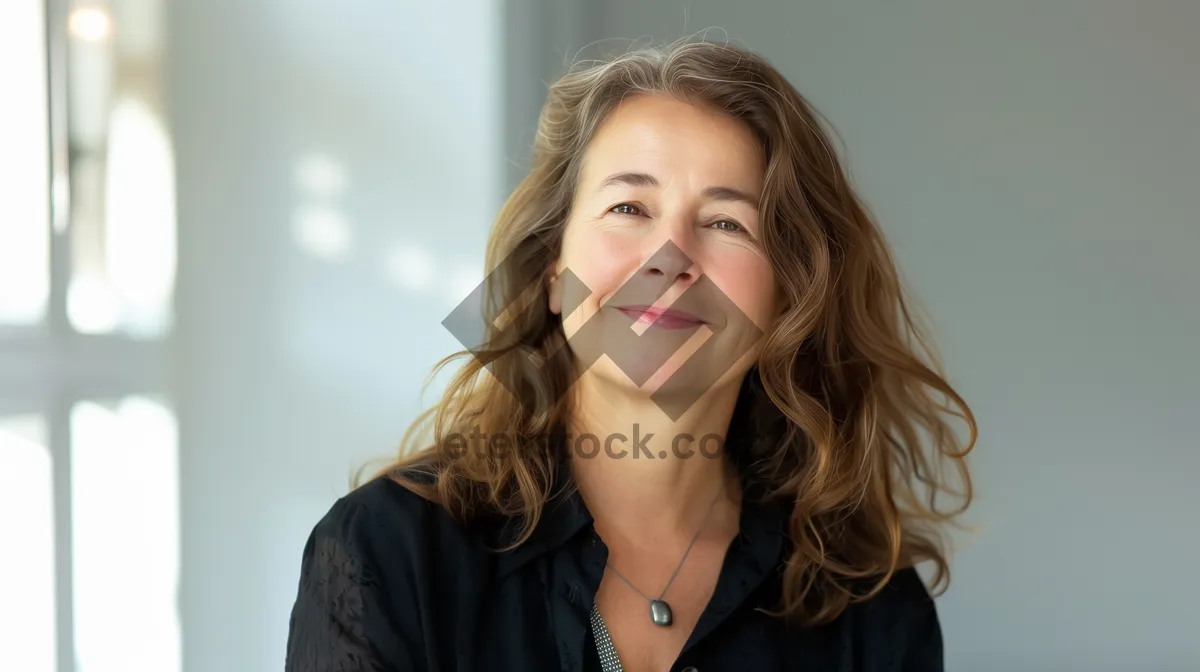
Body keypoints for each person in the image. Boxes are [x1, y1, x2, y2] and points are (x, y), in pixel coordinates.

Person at [285, 37, 975, 672]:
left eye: (725, 222)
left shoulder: (867, 607)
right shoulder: (388, 553)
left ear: (788, 296)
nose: (668, 258)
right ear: (554, 270)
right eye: (629, 209)